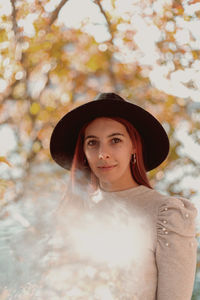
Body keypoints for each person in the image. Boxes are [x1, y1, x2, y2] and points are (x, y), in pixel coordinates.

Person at [50, 92, 198, 300]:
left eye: (115, 140)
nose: (103, 153)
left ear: (134, 146)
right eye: (93, 143)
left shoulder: (166, 214)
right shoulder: (73, 214)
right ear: (83, 151)